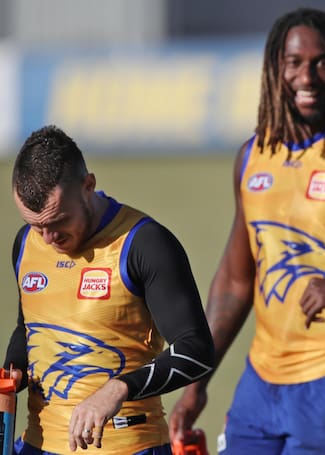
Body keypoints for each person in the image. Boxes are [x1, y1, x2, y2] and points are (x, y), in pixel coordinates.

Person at [168, 7, 325, 455]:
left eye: (321, 61)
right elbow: (234, 284)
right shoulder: (252, 156)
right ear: (275, 68)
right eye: (294, 62)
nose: (307, 75)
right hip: (261, 385)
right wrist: (196, 380)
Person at [2, 125, 215, 454]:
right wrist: (12, 369)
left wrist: (119, 388)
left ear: (88, 186)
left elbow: (196, 350)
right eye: (36, 225)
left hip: (131, 446)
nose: (47, 238)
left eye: (58, 221)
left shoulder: (145, 243)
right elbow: (28, 328)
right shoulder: (25, 243)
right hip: (36, 446)